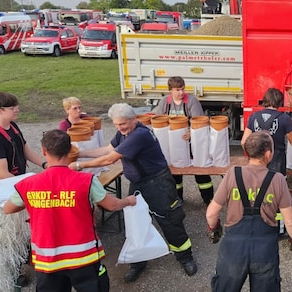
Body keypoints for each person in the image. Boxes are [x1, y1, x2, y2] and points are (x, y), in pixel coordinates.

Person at [69, 103, 197, 282]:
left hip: (157, 183)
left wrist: (78, 165)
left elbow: (111, 158)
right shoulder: (124, 133)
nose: (119, 128)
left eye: (122, 124)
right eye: (115, 124)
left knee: (170, 220)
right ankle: (138, 261)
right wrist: (80, 153)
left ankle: (185, 256)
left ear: (134, 119)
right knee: (135, 222)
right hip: (138, 183)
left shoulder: (140, 135)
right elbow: (109, 149)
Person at [3, 129, 137, 292]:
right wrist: (128, 201)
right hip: (84, 257)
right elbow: (112, 205)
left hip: (48, 260)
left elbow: (8, 209)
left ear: (44, 152)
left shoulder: (28, 184)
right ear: (69, 151)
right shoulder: (86, 181)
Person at [206, 131, 292, 292]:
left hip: (233, 249)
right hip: (264, 250)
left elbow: (211, 213)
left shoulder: (233, 174)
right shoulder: (278, 179)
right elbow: (291, 221)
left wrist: (213, 228)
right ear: (267, 153)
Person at [240, 88, 292, 236]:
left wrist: (253, 155)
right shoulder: (284, 118)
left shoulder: (254, 116)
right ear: (280, 102)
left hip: (256, 161)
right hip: (277, 160)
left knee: (257, 193)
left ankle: (257, 225)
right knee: (278, 195)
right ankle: (279, 229)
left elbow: (244, 142)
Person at [153, 76, 213, 204]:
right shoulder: (165, 102)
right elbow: (159, 121)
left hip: (191, 142)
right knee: (175, 173)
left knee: (200, 171)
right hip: (173, 144)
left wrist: (192, 131)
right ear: (170, 90)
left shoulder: (191, 101)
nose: (181, 93)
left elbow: (200, 121)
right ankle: (177, 199)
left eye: (182, 89)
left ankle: (209, 200)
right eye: (177, 90)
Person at [0, 92, 46, 180]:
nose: (17, 110)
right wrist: (25, 184)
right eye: (12, 108)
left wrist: (45, 164)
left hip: (16, 179)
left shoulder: (12, 125)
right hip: (4, 185)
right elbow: (2, 174)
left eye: (17, 107)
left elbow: (25, 149)